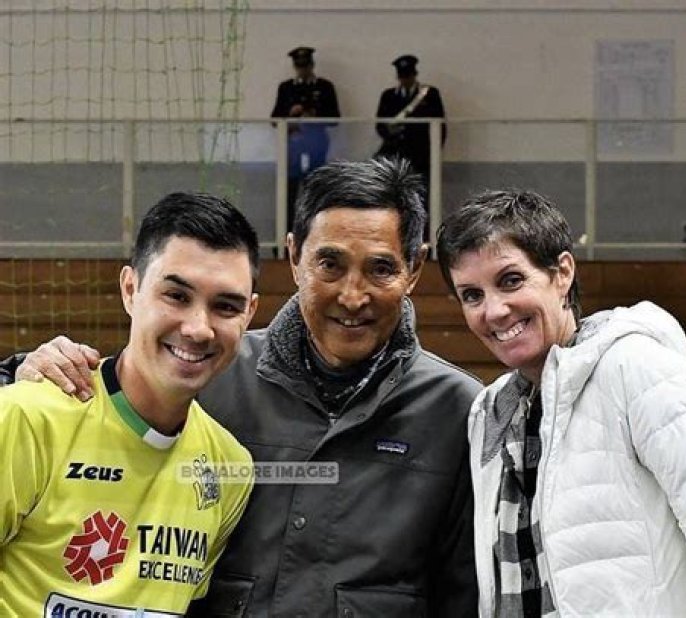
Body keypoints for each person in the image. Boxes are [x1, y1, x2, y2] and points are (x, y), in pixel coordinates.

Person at [3, 158, 481, 616]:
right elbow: (107, 397)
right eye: (330, 264)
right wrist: (17, 372)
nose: (352, 296)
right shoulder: (210, 372)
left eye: (380, 268)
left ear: (414, 268)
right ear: (293, 257)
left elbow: (463, 591)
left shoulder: (459, 411)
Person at [436, 189, 686, 617]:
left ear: (562, 273)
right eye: (472, 295)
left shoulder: (636, 367)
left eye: (511, 280)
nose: (494, 311)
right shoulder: (489, 411)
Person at [0, 192, 259, 614]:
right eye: (176, 296)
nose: (198, 328)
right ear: (130, 289)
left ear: (248, 315)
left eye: (225, 306)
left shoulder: (230, 468)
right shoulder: (25, 418)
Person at [375, 54, 446, 239]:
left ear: (414, 75)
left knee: (421, 201)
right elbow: (380, 125)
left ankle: (423, 239)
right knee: (393, 200)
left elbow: (439, 127)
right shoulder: (389, 96)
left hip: (420, 157)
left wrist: (433, 154)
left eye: (408, 76)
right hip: (395, 156)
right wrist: (391, 133)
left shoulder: (429, 95)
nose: (405, 80)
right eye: (402, 76)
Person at [271, 46, 341, 233]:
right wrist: (290, 114)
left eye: (306, 65)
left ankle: (317, 233)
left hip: (316, 145)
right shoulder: (287, 88)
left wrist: (315, 114)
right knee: (290, 193)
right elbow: (275, 120)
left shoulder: (324, 87)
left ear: (312, 65)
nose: (303, 70)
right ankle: (286, 236)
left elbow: (335, 118)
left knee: (317, 192)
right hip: (293, 146)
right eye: (299, 66)